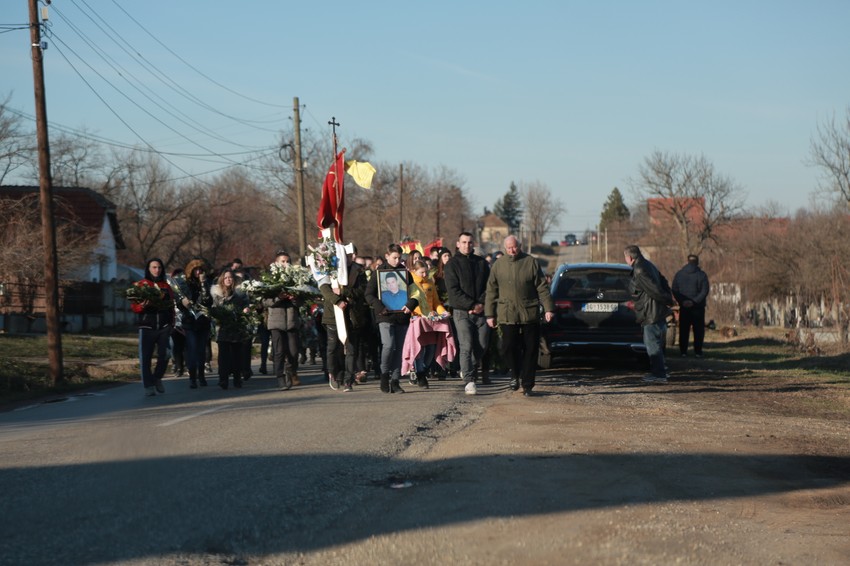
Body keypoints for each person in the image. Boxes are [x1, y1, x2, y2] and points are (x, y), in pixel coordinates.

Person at [485, 235, 554, 396]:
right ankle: (515, 374)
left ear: (520, 246)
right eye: (508, 248)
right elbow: (491, 291)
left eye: (514, 247)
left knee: (530, 349)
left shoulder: (530, 262)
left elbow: (542, 287)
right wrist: (489, 314)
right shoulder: (498, 265)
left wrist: (549, 308)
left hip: (529, 312)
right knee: (508, 346)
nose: (512, 250)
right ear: (504, 248)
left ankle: (527, 384)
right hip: (507, 313)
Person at [366, 243, 417, 393]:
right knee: (388, 345)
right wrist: (380, 307)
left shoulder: (404, 273)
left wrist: (411, 304)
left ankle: (395, 380)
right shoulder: (378, 273)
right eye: (394, 257)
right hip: (385, 315)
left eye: (399, 258)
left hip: (401, 316)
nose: (397, 261)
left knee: (399, 349)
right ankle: (383, 374)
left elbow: (415, 293)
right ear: (387, 256)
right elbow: (369, 294)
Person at [444, 232, 491, 395]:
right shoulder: (451, 264)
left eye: (470, 242)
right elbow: (453, 291)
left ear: (474, 244)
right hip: (462, 312)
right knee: (466, 345)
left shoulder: (482, 264)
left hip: (481, 311)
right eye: (463, 242)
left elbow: (489, 286)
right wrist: (471, 305)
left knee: (482, 345)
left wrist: (480, 304)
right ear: (458, 244)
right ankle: (469, 380)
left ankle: (469, 366)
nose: (467, 245)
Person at [318, 250, 369, 392]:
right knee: (333, 347)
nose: (350, 257)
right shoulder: (329, 268)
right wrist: (337, 300)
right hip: (332, 315)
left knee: (351, 348)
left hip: (352, 314)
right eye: (346, 255)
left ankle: (349, 379)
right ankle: (334, 374)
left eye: (352, 255)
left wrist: (344, 292)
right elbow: (324, 288)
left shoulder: (358, 271)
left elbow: (362, 290)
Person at [624, 245, 674, 383]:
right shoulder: (648, 264)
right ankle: (660, 371)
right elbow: (662, 280)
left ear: (629, 257)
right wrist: (668, 296)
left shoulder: (639, 269)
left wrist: (667, 299)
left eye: (625, 258)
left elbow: (654, 290)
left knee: (652, 344)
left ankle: (659, 374)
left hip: (651, 312)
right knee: (655, 343)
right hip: (656, 311)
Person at [402, 260, 453, 389]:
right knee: (419, 348)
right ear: (414, 271)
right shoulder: (411, 283)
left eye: (426, 271)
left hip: (431, 320)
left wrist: (442, 312)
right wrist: (423, 313)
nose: (424, 274)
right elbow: (413, 302)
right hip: (418, 319)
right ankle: (420, 374)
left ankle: (423, 371)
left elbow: (436, 302)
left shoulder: (430, 282)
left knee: (431, 348)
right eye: (421, 272)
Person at [131, 258, 175, 396]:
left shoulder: (166, 286)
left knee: (166, 354)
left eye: (159, 267)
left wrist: (172, 322)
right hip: (147, 327)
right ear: (148, 269)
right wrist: (142, 305)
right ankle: (148, 386)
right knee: (146, 358)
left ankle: (157, 378)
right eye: (154, 267)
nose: (157, 270)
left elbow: (171, 306)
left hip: (164, 326)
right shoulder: (141, 285)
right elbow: (135, 307)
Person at [263, 250, 301, 390]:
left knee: (293, 352)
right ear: (276, 263)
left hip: (291, 321)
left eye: (287, 261)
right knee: (278, 351)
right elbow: (265, 302)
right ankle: (280, 377)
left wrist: (294, 298)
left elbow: (302, 302)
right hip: (276, 322)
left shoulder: (296, 278)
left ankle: (291, 371)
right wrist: (279, 298)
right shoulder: (269, 280)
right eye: (283, 261)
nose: (285, 264)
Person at [211, 269, 251, 389]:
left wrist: (246, 310)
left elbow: (246, 304)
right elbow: (213, 308)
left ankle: (237, 379)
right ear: (222, 280)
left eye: (230, 277)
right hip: (222, 328)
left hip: (236, 328)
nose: (228, 279)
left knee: (236, 355)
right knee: (223, 356)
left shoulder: (239, 293)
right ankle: (223, 379)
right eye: (226, 277)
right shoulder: (216, 293)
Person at [181, 258, 214, 389]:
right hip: (190, 321)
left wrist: (203, 284)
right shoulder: (185, 283)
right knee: (192, 349)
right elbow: (181, 300)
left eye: (200, 270)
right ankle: (192, 377)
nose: (198, 272)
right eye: (196, 270)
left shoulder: (207, 283)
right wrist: (183, 303)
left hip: (203, 321)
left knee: (201, 350)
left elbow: (208, 301)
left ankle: (201, 375)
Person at [672, 254, 710, 357]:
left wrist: (682, 301)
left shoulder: (679, 274)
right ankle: (698, 352)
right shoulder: (702, 275)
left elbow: (675, 289)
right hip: (698, 307)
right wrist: (694, 301)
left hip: (684, 307)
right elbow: (704, 290)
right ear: (697, 262)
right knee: (698, 330)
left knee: (684, 330)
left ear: (687, 261)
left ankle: (683, 351)